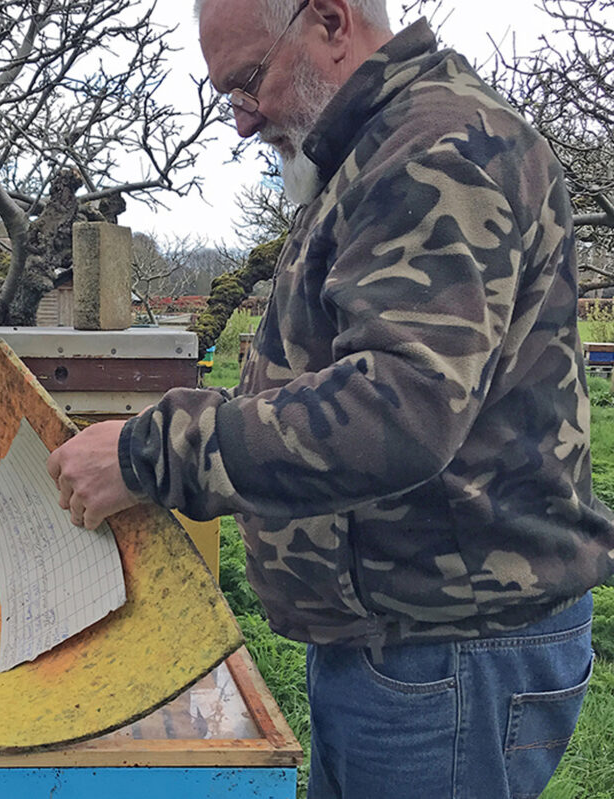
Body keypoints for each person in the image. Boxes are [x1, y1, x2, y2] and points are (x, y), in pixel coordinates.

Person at [46, 0, 614, 796]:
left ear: (331, 21)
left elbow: (398, 412)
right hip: (406, 637)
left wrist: (149, 452)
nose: (244, 123)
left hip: (446, 651)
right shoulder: (376, 150)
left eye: (249, 82)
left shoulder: (435, 151)